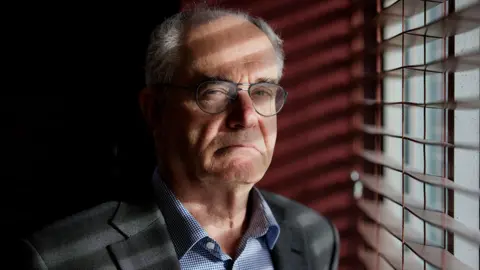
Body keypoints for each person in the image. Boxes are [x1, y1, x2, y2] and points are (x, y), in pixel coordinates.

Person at [15, 7, 339, 270]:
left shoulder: (315, 237)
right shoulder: (60, 259)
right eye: (213, 92)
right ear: (155, 110)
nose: (247, 117)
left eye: (263, 91)